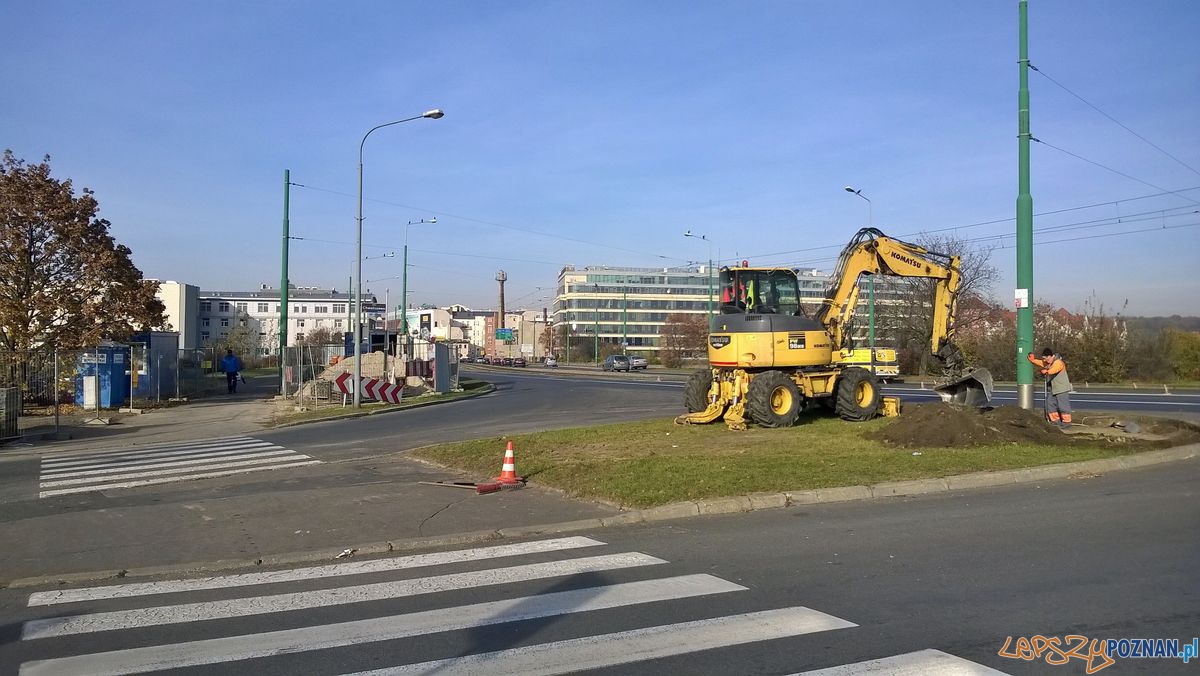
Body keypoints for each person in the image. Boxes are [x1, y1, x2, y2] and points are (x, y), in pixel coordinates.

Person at [1028, 347, 1073, 428]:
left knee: (1063, 406)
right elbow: (1040, 363)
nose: (1044, 361)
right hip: (1053, 388)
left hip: (1061, 388)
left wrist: (1047, 372)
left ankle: (1067, 423)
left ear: (1049, 356)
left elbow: (1054, 370)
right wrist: (1032, 360)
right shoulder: (1049, 362)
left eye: (1045, 358)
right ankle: (1055, 421)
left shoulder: (1058, 362)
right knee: (1050, 404)